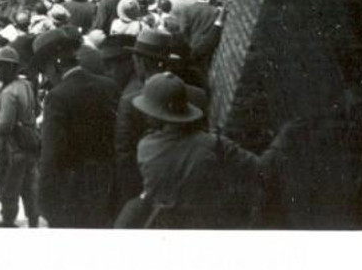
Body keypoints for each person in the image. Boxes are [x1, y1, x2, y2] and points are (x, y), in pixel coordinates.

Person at [120, 72, 299, 228]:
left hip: (164, 225)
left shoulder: (145, 147)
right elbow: (261, 169)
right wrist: (283, 138)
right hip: (207, 223)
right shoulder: (214, 144)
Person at [34, 27, 119, 227]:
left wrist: (44, 200)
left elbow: (51, 155)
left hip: (72, 192)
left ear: (53, 65)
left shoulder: (57, 97)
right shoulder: (109, 86)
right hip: (108, 185)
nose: (47, 77)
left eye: (44, 70)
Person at [114, 29, 207, 211]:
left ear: (140, 62)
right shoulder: (198, 95)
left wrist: (132, 198)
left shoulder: (130, 101)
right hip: (189, 189)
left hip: (148, 190)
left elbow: (125, 155)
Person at [0, 47, 39, 228]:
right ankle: (33, 223)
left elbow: (4, 125)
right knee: (29, 190)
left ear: (10, 68)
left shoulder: (9, 93)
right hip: (28, 146)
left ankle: (8, 224)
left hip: (10, 150)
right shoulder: (25, 86)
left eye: (0, 67)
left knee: (8, 192)